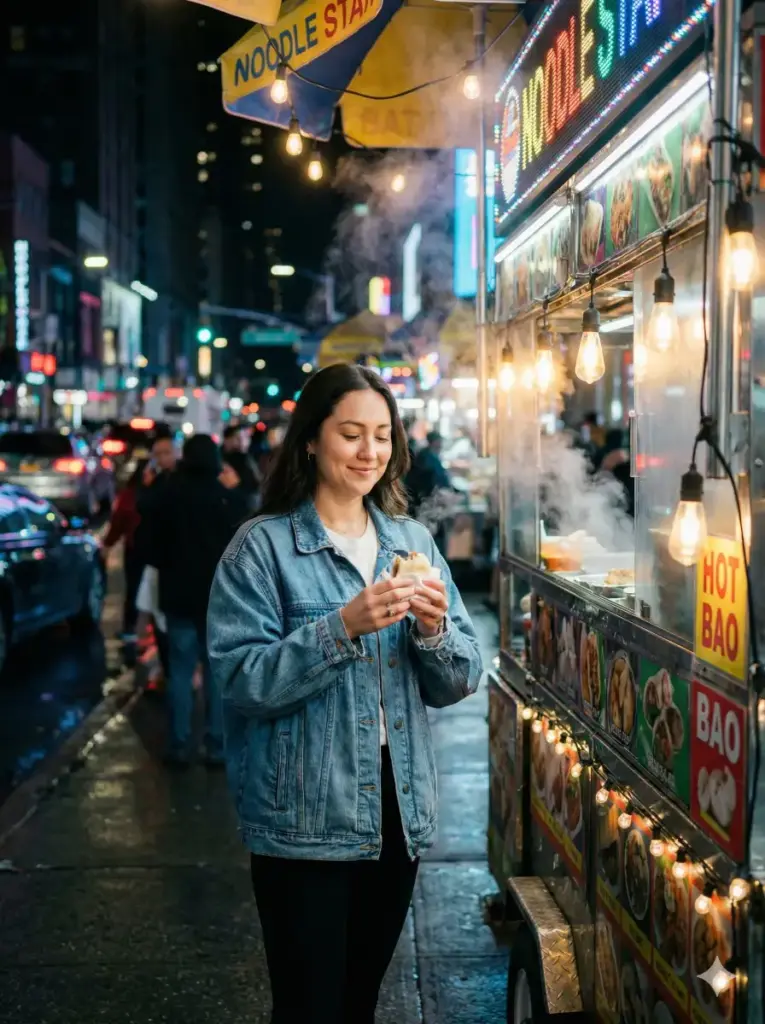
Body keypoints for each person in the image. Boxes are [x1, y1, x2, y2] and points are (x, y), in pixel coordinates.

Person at [207, 364, 482, 1024]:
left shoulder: (411, 540)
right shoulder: (262, 548)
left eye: (382, 436)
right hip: (303, 821)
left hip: (397, 811)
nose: (369, 452)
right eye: (351, 433)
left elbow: (460, 678)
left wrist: (434, 628)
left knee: (359, 1002)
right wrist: (341, 628)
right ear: (310, 440)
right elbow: (240, 680)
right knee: (307, 1008)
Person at [145, 434, 247, 766]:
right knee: (217, 675)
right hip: (219, 600)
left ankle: (178, 745)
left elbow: (150, 542)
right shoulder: (227, 498)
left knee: (180, 670)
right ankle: (216, 746)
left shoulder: (170, 494)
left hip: (178, 597)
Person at [134, 431, 178, 677]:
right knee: (156, 613)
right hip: (156, 561)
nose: (162, 458)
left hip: (172, 562)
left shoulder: (177, 482)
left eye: (166, 453)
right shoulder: (156, 481)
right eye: (158, 454)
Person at [101, 461, 146, 641]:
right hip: (141, 549)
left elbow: (118, 521)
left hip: (137, 549)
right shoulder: (132, 496)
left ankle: (132, 627)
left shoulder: (130, 496)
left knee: (134, 589)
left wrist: (108, 544)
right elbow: (119, 522)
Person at [221, 424, 261, 510]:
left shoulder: (247, 457)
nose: (243, 441)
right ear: (227, 439)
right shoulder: (221, 460)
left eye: (246, 438)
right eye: (238, 438)